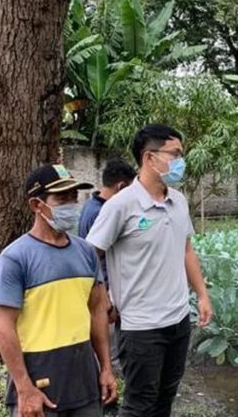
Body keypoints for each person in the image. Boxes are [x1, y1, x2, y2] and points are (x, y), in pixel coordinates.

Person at [86, 124, 213, 417]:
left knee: (165, 397)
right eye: (175, 154)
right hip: (141, 326)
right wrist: (101, 296)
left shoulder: (178, 201)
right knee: (140, 403)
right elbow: (90, 254)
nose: (181, 161)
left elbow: (186, 250)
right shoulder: (121, 205)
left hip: (178, 319)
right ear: (149, 158)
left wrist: (202, 295)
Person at [0, 164, 118, 417]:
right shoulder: (15, 258)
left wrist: (105, 367)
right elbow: (4, 327)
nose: (71, 204)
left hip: (84, 379)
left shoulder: (86, 252)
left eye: (73, 197)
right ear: (37, 205)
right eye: (62, 198)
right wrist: (24, 388)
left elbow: (97, 311)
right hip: (40, 380)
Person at [78, 158, 136, 415]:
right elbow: (95, 259)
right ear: (122, 186)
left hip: (102, 292)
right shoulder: (102, 211)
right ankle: (107, 402)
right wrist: (107, 298)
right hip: (104, 295)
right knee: (108, 355)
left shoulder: (92, 206)